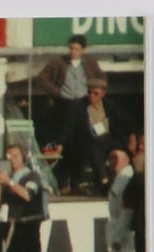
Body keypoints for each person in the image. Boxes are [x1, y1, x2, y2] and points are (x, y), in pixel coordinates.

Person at [35, 34, 107, 191]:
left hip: (82, 104)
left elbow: (103, 79)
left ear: (83, 50)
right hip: (64, 103)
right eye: (71, 48)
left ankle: (75, 177)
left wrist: (92, 88)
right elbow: (42, 78)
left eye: (77, 49)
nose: (73, 52)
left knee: (78, 143)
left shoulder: (90, 63)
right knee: (74, 139)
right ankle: (66, 178)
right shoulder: (58, 62)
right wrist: (57, 92)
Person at [79, 78, 134, 193]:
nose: (91, 96)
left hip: (110, 139)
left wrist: (132, 138)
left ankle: (124, 181)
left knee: (120, 153)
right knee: (93, 150)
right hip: (92, 141)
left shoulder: (110, 106)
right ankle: (103, 181)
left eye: (96, 93)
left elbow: (127, 121)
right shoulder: (81, 107)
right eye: (89, 92)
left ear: (103, 93)